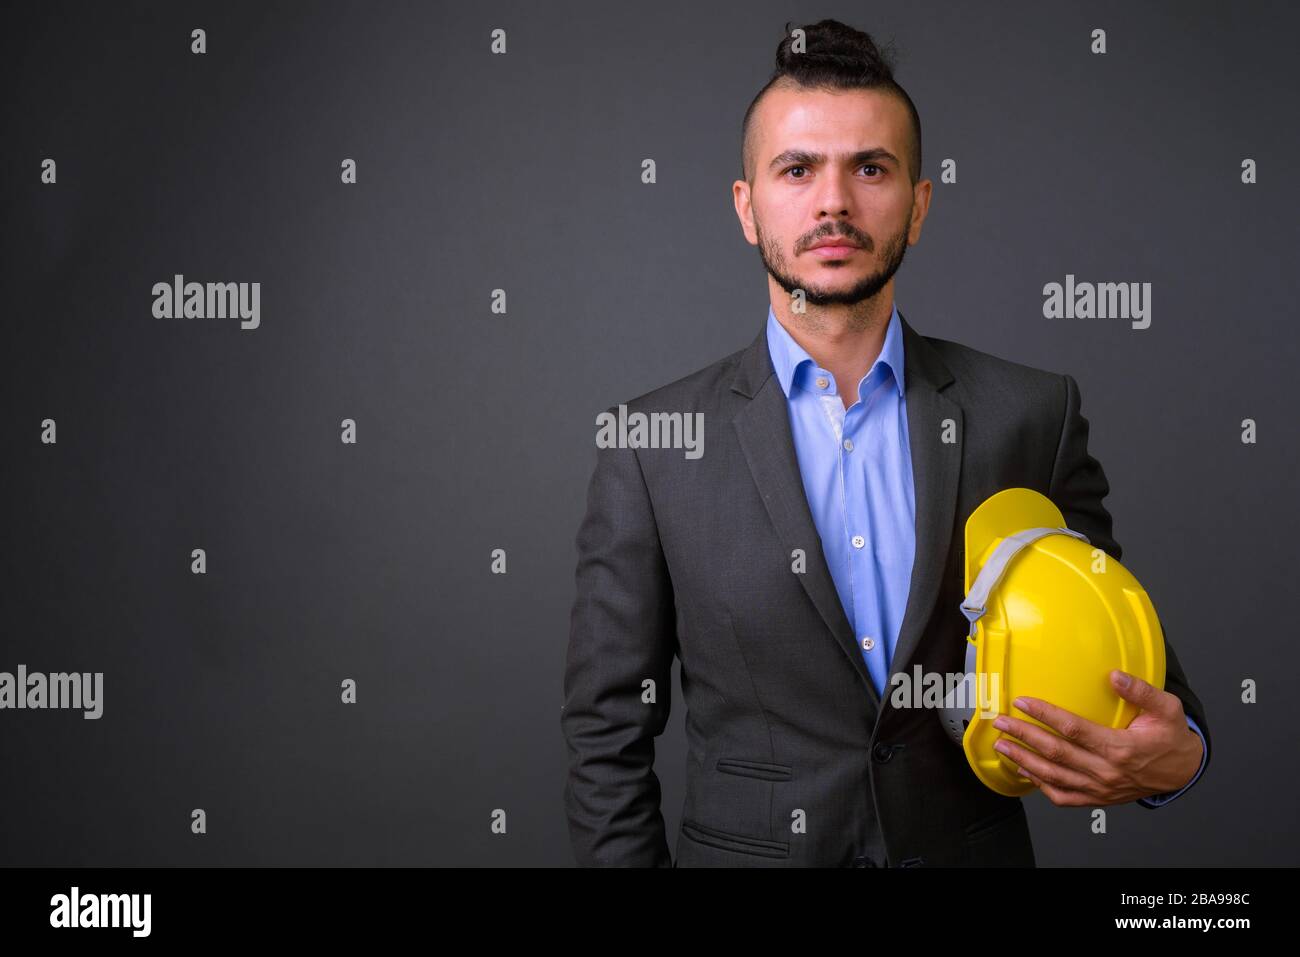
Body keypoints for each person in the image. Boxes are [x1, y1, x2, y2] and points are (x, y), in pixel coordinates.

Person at [560, 18, 1209, 867]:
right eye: (797, 169)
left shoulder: (1031, 415)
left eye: (870, 168)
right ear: (747, 209)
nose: (834, 202)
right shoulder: (651, 447)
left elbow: (1133, 662)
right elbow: (605, 735)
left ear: (919, 202)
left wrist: (1182, 754)